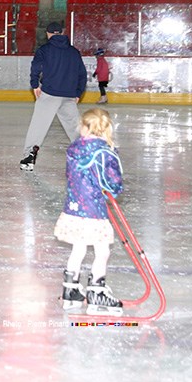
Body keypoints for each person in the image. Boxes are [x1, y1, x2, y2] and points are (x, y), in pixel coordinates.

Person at [55, 108, 124, 316]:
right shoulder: (105, 151)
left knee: (79, 249)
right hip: (94, 211)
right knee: (102, 251)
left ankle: (70, 291)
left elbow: (71, 175)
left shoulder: (74, 149)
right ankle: (96, 292)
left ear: (84, 128)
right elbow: (113, 183)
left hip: (74, 208)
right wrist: (111, 190)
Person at [20, 22, 87, 171]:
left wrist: (35, 84)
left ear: (48, 34)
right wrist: (78, 92)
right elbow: (82, 74)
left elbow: (36, 67)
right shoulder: (74, 51)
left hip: (50, 93)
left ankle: (29, 156)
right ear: (62, 32)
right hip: (69, 95)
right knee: (74, 127)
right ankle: (85, 155)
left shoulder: (45, 50)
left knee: (39, 126)